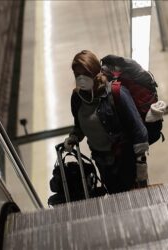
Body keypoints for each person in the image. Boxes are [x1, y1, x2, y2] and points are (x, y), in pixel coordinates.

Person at [64, 50, 149, 194]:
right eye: (77, 75)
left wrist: (141, 166)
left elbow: (138, 129)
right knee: (115, 197)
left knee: (133, 198)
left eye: (85, 74)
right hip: (101, 161)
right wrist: (73, 137)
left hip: (124, 161)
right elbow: (79, 126)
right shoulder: (77, 98)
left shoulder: (117, 93)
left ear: (96, 72)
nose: (81, 79)